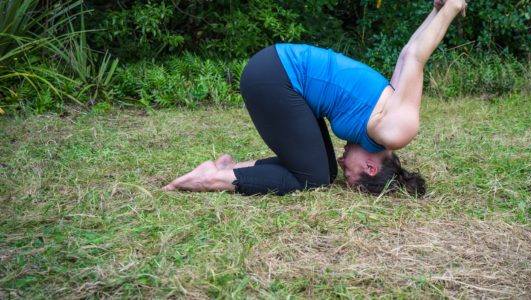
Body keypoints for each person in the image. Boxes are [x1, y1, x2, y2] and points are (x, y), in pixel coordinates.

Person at [163, 0, 467, 196]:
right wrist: (451, 8)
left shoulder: (383, 120)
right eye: (351, 172)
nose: (342, 161)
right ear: (371, 169)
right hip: (275, 76)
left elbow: (403, 58)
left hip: (277, 73)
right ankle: (211, 180)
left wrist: (435, 11)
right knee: (315, 177)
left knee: (321, 168)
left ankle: (224, 169)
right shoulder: (395, 130)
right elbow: (414, 58)